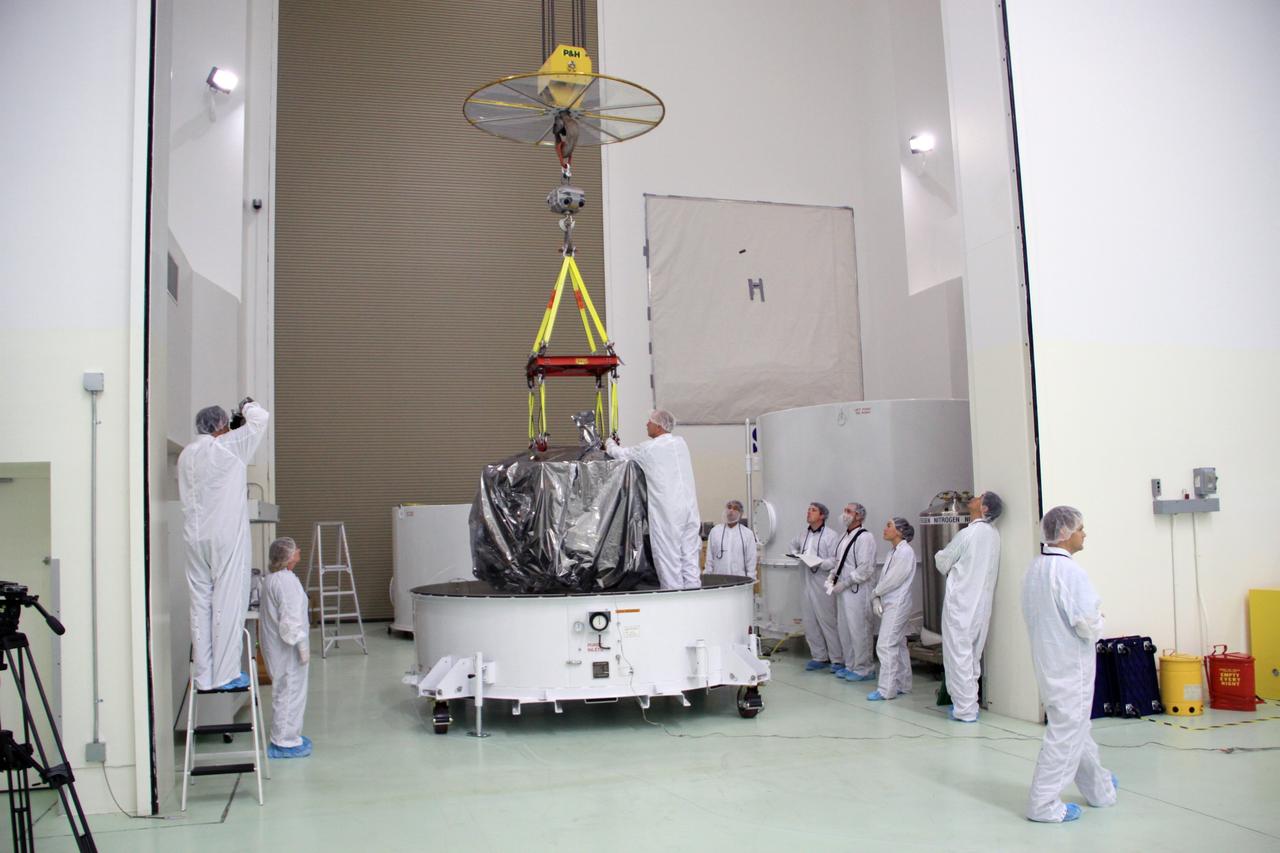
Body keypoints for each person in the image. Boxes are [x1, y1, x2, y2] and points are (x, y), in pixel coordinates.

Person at [1022, 506, 1117, 823]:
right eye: (1080, 528)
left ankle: (1099, 789)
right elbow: (1087, 623)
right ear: (1065, 534)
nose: (1084, 533)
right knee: (1066, 731)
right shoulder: (1070, 573)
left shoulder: (1036, 569)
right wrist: (1100, 621)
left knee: (1077, 727)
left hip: (1049, 663)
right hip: (1070, 666)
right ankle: (1044, 803)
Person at [179, 398, 269, 691]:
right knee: (228, 601)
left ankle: (203, 676)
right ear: (221, 426)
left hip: (194, 538)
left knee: (200, 604)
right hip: (224, 537)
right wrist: (247, 406)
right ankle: (227, 673)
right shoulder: (228, 447)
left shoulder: (187, 455)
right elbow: (260, 419)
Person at [607, 410, 701, 590]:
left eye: (649, 421)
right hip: (689, 510)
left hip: (668, 513)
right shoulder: (681, 444)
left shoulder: (649, 449)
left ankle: (675, 604)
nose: (646, 424)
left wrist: (609, 442)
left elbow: (619, 453)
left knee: (668, 559)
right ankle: (694, 596)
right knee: (690, 558)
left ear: (658, 426)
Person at [935, 490, 1004, 722]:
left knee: (958, 656)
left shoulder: (969, 534)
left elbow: (943, 561)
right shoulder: (993, 535)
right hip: (980, 606)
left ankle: (964, 709)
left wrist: (939, 554)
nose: (973, 498)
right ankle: (967, 703)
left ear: (984, 509)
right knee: (971, 656)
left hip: (961, 605)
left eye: (979, 498)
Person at [260, 537, 312, 759]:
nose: (298, 550)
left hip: (279, 650)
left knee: (285, 691)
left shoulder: (276, 579)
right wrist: (302, 646)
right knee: (290, 692)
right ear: (288, 557)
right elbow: (290, 622)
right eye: (294, 549)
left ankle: (287, 736)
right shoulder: (285, 582)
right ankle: (285, 742)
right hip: (288, 651)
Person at [790, 502, 843, 672]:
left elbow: (835, 559)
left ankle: (837, 659)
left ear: (822, 516)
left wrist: (819, 563)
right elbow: (792, 546)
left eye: (813, 510)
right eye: (808, 510)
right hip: (806, 580)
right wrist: (797, 555)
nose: (809, 512)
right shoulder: (802, 534)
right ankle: (819, 656)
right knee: (809, 621)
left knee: (827, 621)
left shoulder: (831, 536)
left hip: (823, 582)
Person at [868, 517, 916, 700]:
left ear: (900, 531)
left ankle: (886, 690)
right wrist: (878, 596)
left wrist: (875, 593)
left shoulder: (905, 553)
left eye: (889, 525)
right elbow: (885, 580)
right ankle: (904, 683)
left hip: (897, 604)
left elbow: (893, 580)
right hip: (890, 602)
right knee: (899, 643)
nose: (885, 528)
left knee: (885, 645)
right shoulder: (893, 552)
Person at [829, 502, 877, 682]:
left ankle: (864, 668)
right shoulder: (844, 537)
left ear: (859, 516)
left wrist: (848, 581)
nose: (844, 514)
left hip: (858, 591)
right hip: (843, 591)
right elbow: (839, 561)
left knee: (859, 629)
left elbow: (866, 567)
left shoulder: (865, 538)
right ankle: (850, 665)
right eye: (844, 511)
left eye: (849, 511)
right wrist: (833, 577)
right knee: (845, 629)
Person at [704, 500, 758, 579]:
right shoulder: (715, 531)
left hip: (740, 581)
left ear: (741, 513)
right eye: (729, 507)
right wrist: (707, 577)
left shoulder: (747, 534)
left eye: (735, 508)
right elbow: (709, 558)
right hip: (718, 581)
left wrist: (750, 579)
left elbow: (751, 560)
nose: (731, 511)